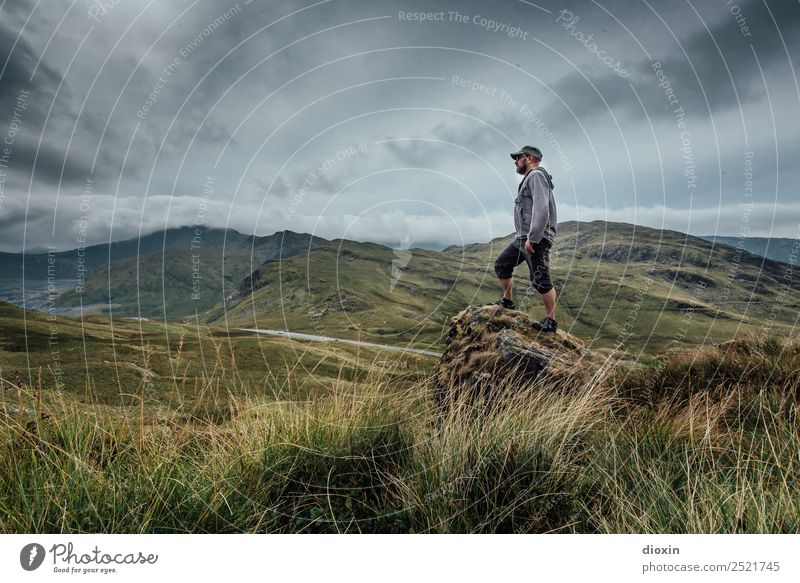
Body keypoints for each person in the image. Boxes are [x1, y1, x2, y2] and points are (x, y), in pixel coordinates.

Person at [493, 145, 558, 332]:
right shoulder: (530, 178)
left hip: (535, 238)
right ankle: (508, 302)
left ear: (529, 158)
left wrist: (534, 237)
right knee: (502, 264)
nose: (515, 161)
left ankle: (551, 322)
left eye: (518, 157)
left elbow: (541, 208)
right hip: (522, 238)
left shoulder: (536, 175)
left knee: (540, 279)